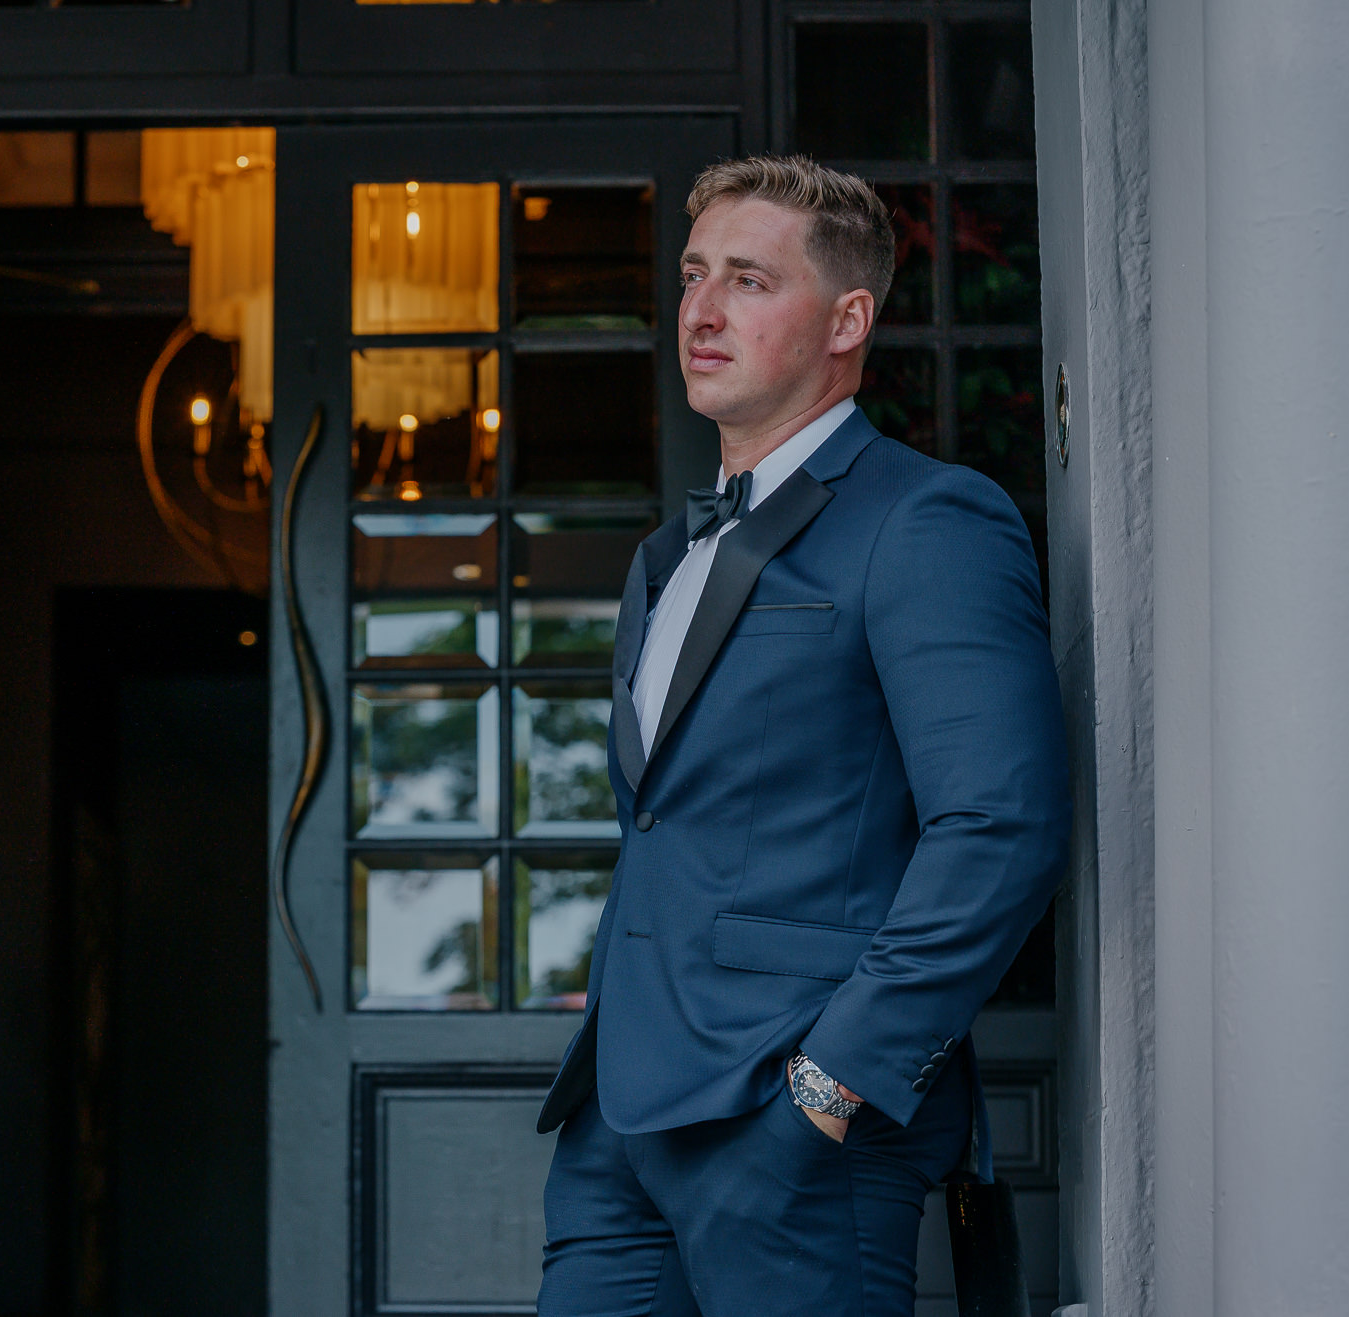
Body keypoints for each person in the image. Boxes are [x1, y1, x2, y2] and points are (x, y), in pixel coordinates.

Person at [534, 155, 1071, 1317]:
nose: (702, 311)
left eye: (746, 280)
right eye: (691, 276)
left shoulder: (929, 520)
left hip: (794, 1135)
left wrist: (832, 1087)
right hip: (616, 1133)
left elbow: (1000, 828)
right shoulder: (663, 562)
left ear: (847, 320)